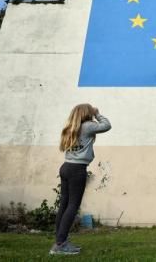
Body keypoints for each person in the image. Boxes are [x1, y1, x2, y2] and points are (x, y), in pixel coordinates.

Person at [49, 104, 111, 255]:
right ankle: (60, 244)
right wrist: (97, 114)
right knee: (72, 206)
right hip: (77, 170)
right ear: (86, 113)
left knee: (64, 205)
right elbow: (107, 125)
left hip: (66, 167)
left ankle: (60, 240)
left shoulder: (71, 128)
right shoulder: (88, 126)